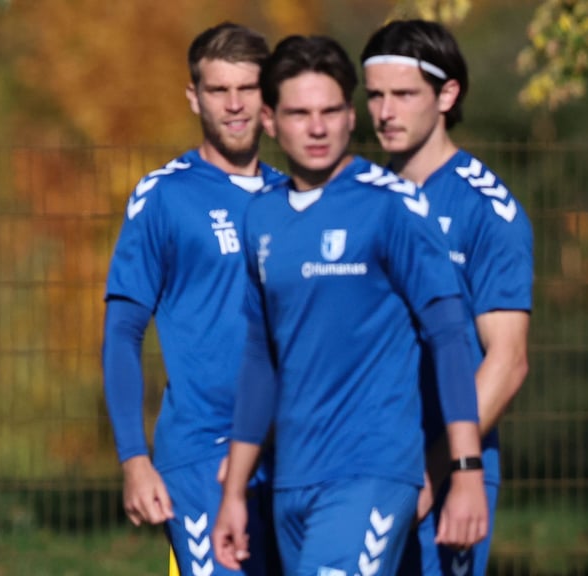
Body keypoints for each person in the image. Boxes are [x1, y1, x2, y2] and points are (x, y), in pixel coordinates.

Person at [211, 35, 489, 575]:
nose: (317, 128)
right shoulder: (260, 218)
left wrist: (467, 469)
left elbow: (451, 338)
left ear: (349, 115)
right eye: (299, 113)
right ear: (269, 119)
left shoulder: (393, 207)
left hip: (373, 472)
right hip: (292, 481)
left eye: (331, 111)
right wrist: (235, 492)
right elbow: (259, 360)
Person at [102, 22, 283, 576]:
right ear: (194, 97)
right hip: (203, 452)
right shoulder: (165, 195)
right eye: (218, 90)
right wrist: (135, 458)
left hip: (297, 452)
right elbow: (121, 332)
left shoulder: (298, 197)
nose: (233, 105)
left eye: (247, 89)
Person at [361, 20, 533, 576]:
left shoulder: (488, 210)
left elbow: (506, 363)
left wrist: (436, 473)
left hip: (444, 476)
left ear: (447, 94)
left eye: (404, 95)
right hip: (358, 465)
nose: (386, 112)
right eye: (376, 96)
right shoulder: (357, 197)